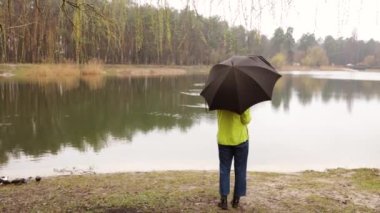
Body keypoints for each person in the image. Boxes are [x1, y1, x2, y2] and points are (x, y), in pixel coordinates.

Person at [216, 109, 251, 210]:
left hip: (224, 140)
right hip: (240, 140)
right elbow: (246, 120)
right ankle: (236, 200)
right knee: (240, 170)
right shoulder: (242, 101)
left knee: (224, 170)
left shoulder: (219, 100)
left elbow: (219, 118)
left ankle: (223, 201)